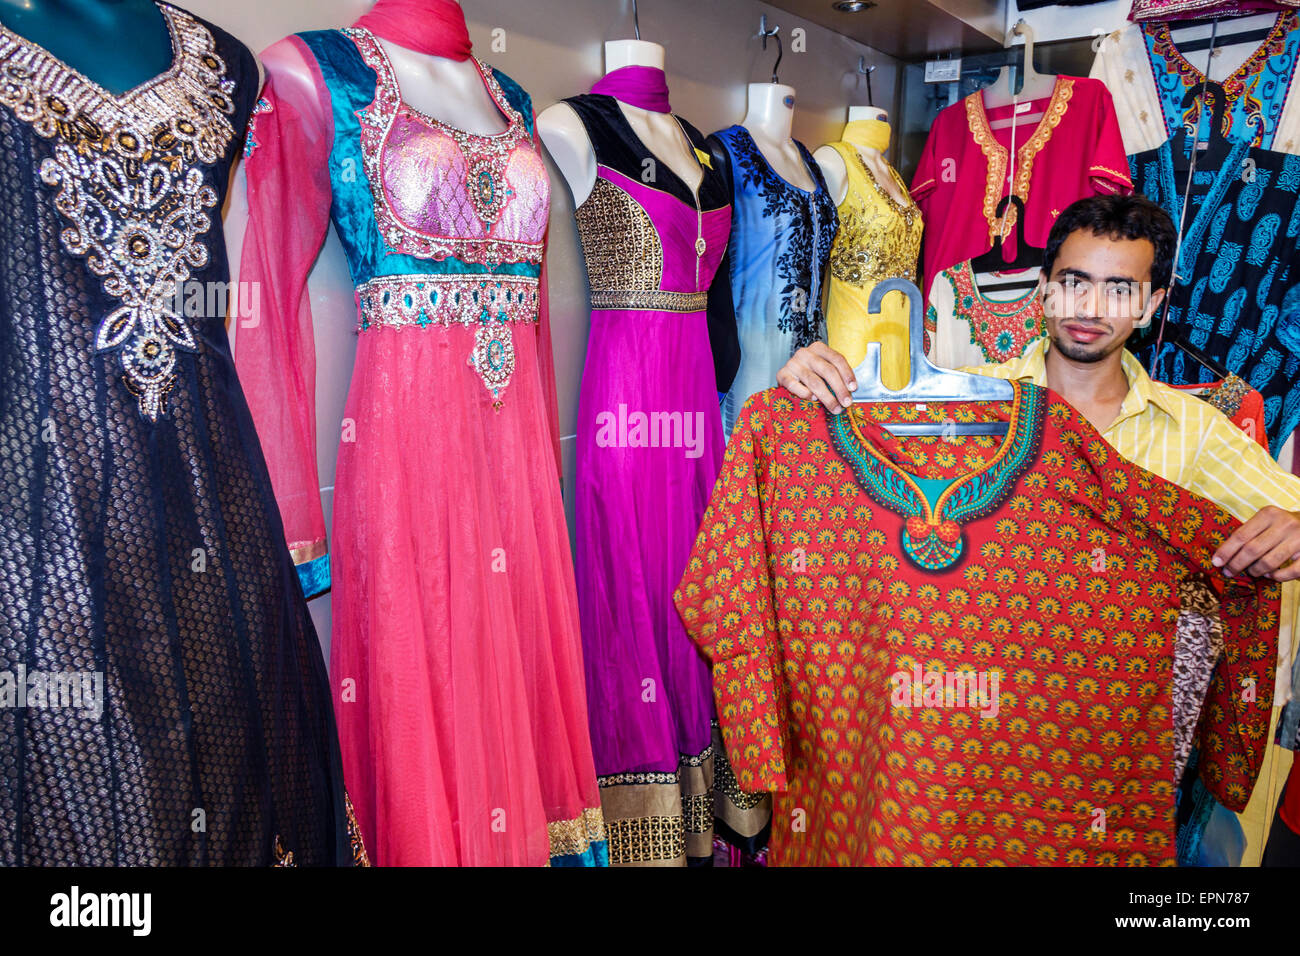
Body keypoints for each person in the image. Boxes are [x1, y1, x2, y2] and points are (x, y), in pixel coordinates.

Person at [773, 192, 1300, 865]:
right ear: (1044, 290)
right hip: (971, 746)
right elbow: (855, 486)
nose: (1090, 308)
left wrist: (1293, 530)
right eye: (1075, 283)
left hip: (1109, 759)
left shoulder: (1195, 435)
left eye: (1120, 289)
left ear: (1152, 304)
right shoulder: (961, 404)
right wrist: (804, 386)